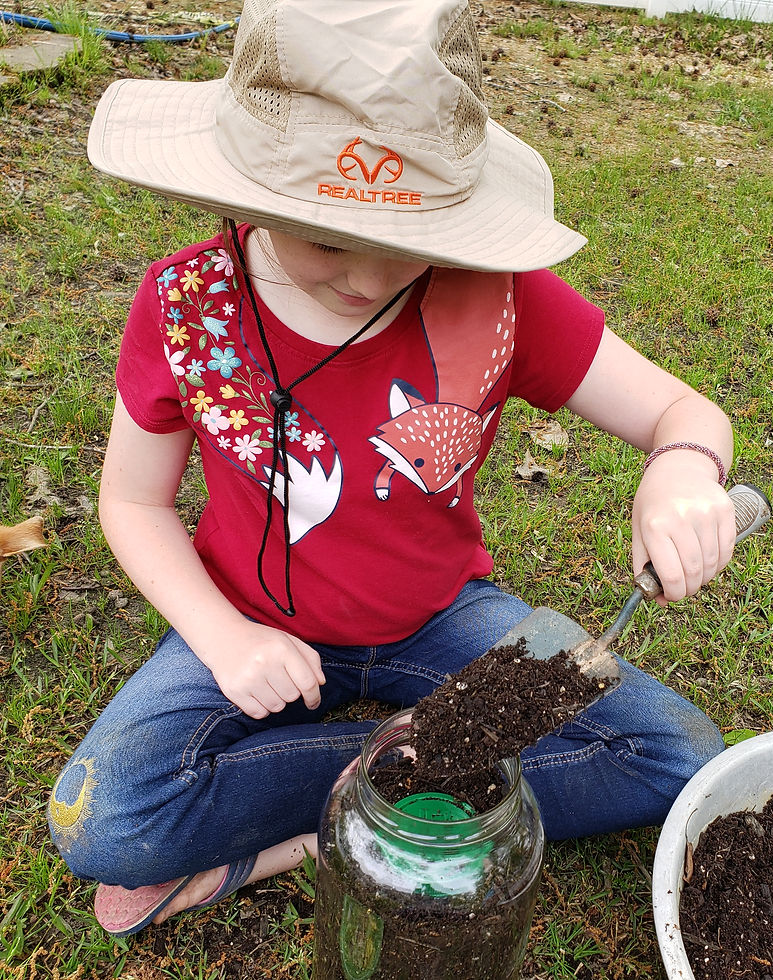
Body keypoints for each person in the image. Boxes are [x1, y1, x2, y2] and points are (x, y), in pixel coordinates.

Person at [48, 0, 736, 937]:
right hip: (247, 618)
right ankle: (414, 784)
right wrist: (224, 638)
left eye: (410, 245)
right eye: (329, 239)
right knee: (105, 820)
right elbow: (133, 501)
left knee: (673, 753)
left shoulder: (498, 298)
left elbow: (681, 412)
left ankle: (338, 818)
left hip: (442, 617)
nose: (369, 280)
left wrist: (683, 469)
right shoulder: (188, 305)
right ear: (245, 194)